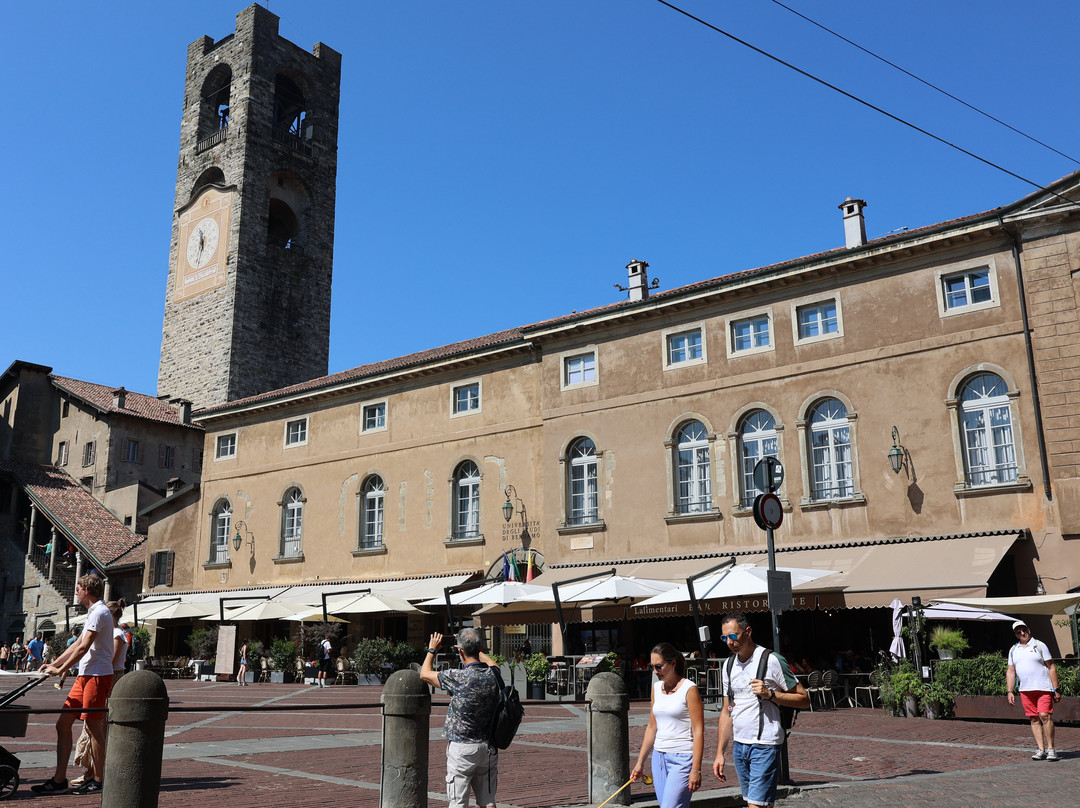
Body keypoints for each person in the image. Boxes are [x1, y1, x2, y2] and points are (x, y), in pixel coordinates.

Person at [713, 613, 810, 808]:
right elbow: (727, 710)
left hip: (765, 744)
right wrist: (719, 752)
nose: (729, 642)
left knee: (755, 806)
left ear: (748, 632)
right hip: (740, 746)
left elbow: (804, 699)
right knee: (759, 803)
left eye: (733, 636)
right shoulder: (729, 665)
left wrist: (771, 695)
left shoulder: (772, 660)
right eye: (724, 638)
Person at [32, 574, 115, 795]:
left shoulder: (100, 612)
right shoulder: (92, 612)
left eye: (78, 588)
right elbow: (77, 643)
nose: (75, 592)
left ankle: (98, 779)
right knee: (63, 723)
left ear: (87, 589)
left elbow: (84, 646)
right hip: (85, 675)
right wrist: (55, 663)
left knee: (94, 728)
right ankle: (59, 779)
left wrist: (61, 670)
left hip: (97, 676)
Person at [419, 629, 500, 808]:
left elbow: (424, 673)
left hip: (462, 747)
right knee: (488, 801)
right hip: (488, 746)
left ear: (460, 651)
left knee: (458, 802)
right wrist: (475, 648)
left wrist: (432, 649)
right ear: (479, 647)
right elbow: (494, 664)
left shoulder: (458, 677)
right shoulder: (493, 675)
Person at [631, 642, 705, 807]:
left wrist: (696, 769)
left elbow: (698, 731)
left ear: (673, 663)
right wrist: (640, 762)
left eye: (659, 667)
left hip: (682, 757)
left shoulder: (689, 688)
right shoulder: (656, 688)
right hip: (659, 757)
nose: (655, 671)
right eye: (652, 667)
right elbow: (652, 727)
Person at [1007, 619, 1061, 761]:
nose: (1022, 633)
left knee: (1044, 715)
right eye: (1018, 632)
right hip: (1025, 689)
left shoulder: (1039, 645)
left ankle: (1051, 749)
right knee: (1033, 718)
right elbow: (1011, 671)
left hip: (1043, 687)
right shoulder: (1013, 650)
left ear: (1028, 630)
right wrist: (1009, 690)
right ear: (1016, 634)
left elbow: (1051, 667)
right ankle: (1041, 749)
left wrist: (1056, 688)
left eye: (1024, 630)